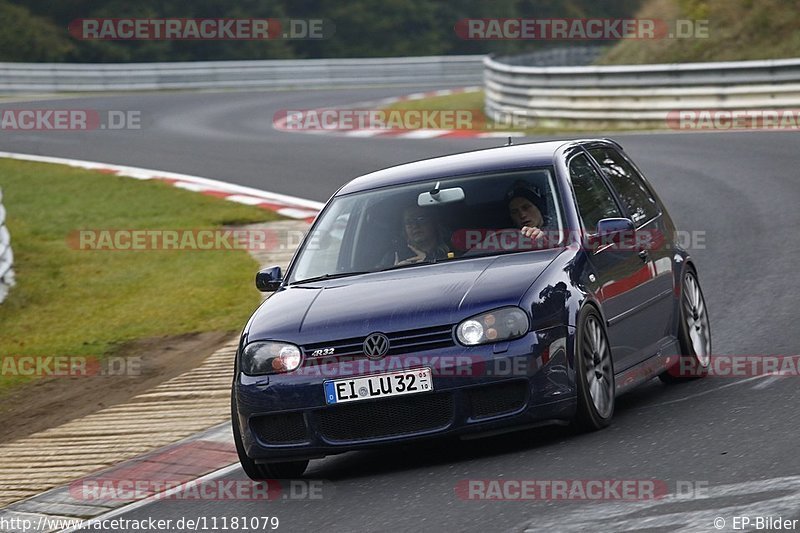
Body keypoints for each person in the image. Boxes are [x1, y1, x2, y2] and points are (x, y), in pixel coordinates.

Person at [383, 205, 452, 266]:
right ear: (404, 229)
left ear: (434, 222)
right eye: (409, 222)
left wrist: (428, 261)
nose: (415, 226)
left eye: (421, 219)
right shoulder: (395, 255)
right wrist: (396, 272)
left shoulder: (452, 249)